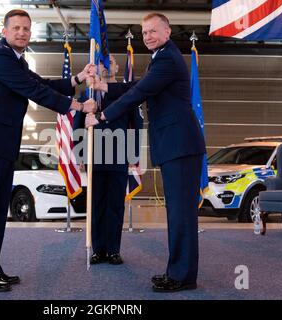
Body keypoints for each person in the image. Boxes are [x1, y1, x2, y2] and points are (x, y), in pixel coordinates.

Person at [0, 9, 96, 292]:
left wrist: (78, 78)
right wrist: (77, 106)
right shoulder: (0, 57)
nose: (22, 33)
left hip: (2, 146)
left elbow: (43, 84)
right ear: (5, 31)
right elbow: (35, 92)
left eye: (26, 28)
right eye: (16, 28)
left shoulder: (16, 60)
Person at [86, 13, 206, 292]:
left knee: (181, 214)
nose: (148, 36)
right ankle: (179, 272)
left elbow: (137, 95)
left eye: (153, 31)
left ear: (167, 31)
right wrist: (104, 85)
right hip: (175, 145)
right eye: (144, 32)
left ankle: (181, 276)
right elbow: (137, 87)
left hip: (179, 145)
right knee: (178, 212)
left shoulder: (166, 58)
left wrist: (102, 117)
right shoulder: (163, 57)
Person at [75, 55, 142, 265]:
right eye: (102, 63)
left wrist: (133, 155)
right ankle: (98, 250)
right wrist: (80, 154)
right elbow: (77, 125)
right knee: (96, 206)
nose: (106, 66)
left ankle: (113, 250)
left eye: (109, 62)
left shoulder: (127, 94)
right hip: (95, 157)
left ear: (117, 66)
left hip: (118, 155)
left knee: (114, 205)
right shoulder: (87, 93)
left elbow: (136, 125)